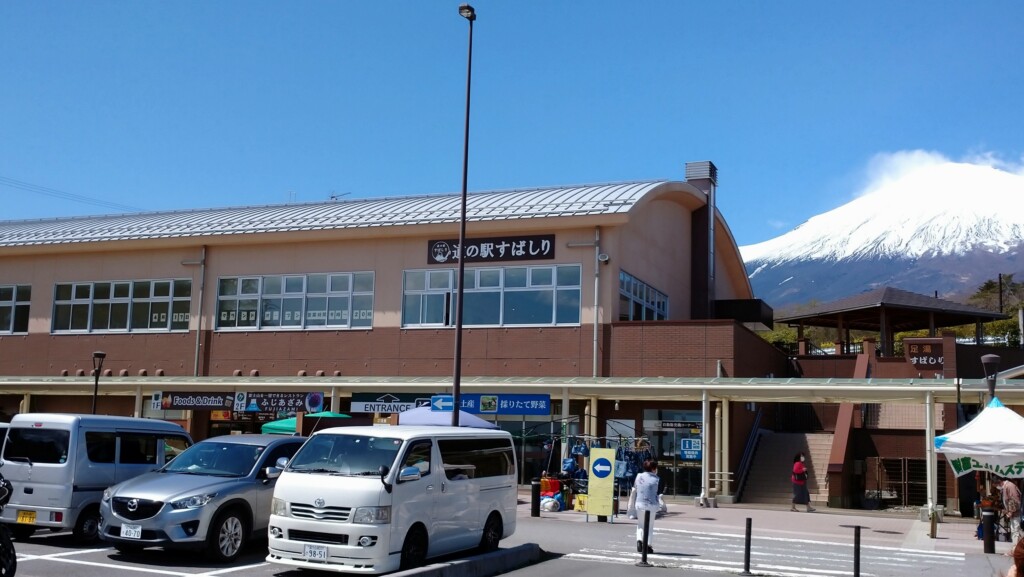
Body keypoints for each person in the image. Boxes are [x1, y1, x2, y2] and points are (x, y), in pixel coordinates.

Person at [633, 459, 660, 553]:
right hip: (651, 505)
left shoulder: (639, 476)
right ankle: (648, 545)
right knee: (650, 525)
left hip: (639, 503)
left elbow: (635, 487)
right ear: (653, 469)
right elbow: (659, 492)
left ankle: (639, 540)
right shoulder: (656, 479)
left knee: (640, 524)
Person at [1000, 478, 1022, 546]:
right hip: (1013, 513)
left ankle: (1015, 550)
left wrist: (1011, 511)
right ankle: (1015, 549)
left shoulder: (1009, 486)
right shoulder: (1006, 486)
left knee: (1016, 531)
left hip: (1016, 513)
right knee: (1014, 531)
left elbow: (1015, 500)